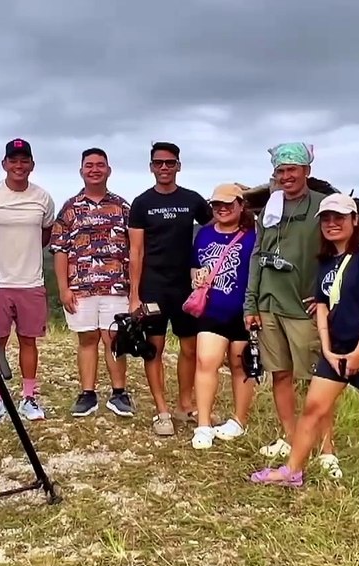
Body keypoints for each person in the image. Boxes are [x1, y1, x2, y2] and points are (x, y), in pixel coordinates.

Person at [250, 193, 359, 518]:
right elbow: (321, 305)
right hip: (336, 350)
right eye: (327, 219)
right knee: (313, 409)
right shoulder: (326, 261)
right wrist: (329, 349)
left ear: (354, 221)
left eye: (340, 218)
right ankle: (292, 471)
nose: (332, 224)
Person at [243, 141, 341, 478]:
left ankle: (327, 448)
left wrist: (326, 297)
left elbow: (338, 254)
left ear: (306, 172)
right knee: (280, 374)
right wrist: (251, 303)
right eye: (281, 171)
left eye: (292, 170)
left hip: (304, 307)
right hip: (270, 303)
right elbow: (258, 255)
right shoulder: (270, 209)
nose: (286, 177)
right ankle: (290, 436)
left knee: (319, 380)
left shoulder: (321, 208)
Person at [127, 141, 213, 436]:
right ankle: (161, 410)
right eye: (158, 163)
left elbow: (215, 229)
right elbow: (135, 252)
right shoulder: (141, 203)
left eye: (170, 162)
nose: (164, 167)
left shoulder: (193, 200)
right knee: (154, 348)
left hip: (185, 286)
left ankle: (185, 403)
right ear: (151, 166)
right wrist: (134, 295)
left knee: (190, 347)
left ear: (179, 165)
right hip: (153, 285)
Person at [0, 138, 57, 426]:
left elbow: (46, 235)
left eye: (24, 160)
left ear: (32, 164)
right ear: (4, 164)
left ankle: (29, 397)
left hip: (31, 281)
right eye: (13, 160)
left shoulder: (43, 198)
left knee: (28, 341)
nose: (19, 165)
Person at [49, 148, 135, 419]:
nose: (95, 169)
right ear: (81, 171)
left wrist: (135, 288)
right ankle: (87, 394)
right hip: (81, 287)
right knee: (87, 338)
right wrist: (63, 288)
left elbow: (136, 250)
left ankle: (119, 393)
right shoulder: (70, 208)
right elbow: (60, 250)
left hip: (117, 285)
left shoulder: (123, 207)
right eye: (89, 165)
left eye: (100, 165)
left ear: (109, 170)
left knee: (114, 338)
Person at [188, 184, 258, 449]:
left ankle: (239, 421)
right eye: (217, 204)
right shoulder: (204, 235)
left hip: (244, 312)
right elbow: (195, 266)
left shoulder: (254, 235)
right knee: (206, 361)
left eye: (229, 204)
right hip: (211, 309)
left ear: (241, 205)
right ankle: (203, 425)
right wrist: (196, 277)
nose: (222, 209)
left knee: (241, 365)